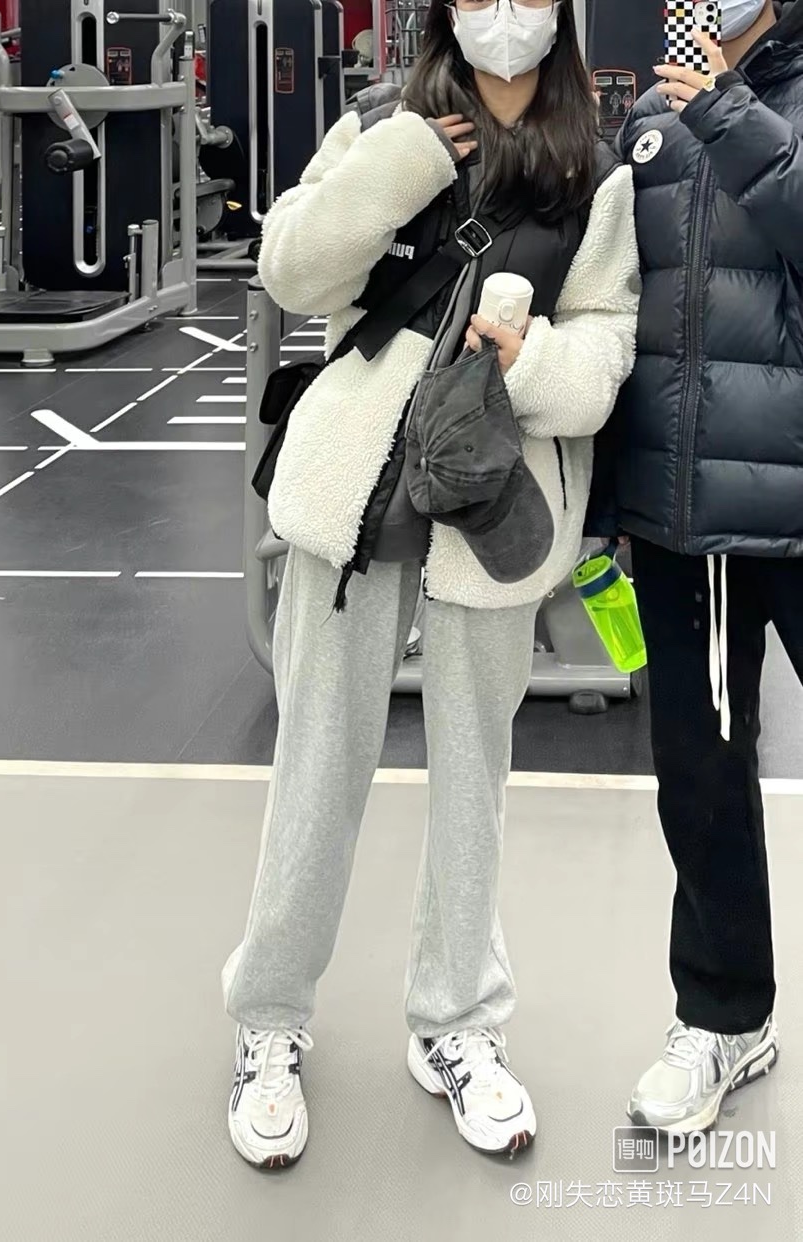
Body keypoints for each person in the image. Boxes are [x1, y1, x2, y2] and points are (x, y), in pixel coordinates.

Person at [223, 0, 639, 1169]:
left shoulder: (593, 169)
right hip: (354, 495)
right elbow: (291, 268)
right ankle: (268, 1018)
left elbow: (604, 350)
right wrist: (401, 163)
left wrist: (533, 358)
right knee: (317, 764)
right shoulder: (377, 125)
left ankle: (457, 1021)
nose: (504, 15)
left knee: (473, 781)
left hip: (495, 502)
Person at [595, 0, 803, 1133]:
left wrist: (732, 115)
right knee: (704, 778)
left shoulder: (736, 109)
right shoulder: (650, 124)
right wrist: (608, 503)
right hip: (690, 520)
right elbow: (621, 313)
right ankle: (724, 1016)